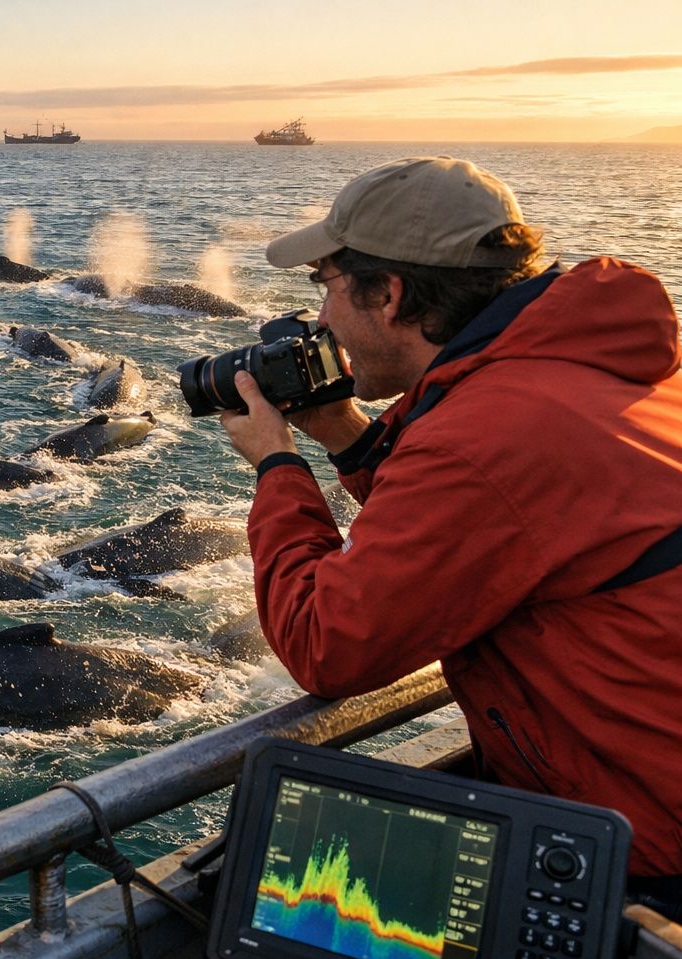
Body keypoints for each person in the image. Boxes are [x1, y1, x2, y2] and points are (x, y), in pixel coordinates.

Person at [218, 156, 682, 887]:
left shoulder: (486, 432)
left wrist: (276, 466)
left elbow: (325, 647)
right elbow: (492, 530)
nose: (321, 320)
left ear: (390, 294)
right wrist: (346, 432)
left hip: (647, 854)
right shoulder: (584, 372)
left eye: (328, 288)